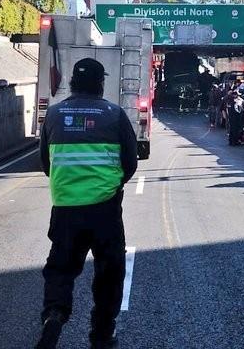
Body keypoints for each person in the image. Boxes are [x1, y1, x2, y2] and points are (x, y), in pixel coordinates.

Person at [37, 58, 138, 349]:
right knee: (109, 272)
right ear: (100, 84)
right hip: (105, 209)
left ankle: (55, 314)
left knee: (60, 268)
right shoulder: (114, 115)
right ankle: (102, 334)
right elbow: (130, 162)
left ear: (73, 83)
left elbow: (45, 161)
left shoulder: (54, 115)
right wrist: (113, 184)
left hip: (66, 208)